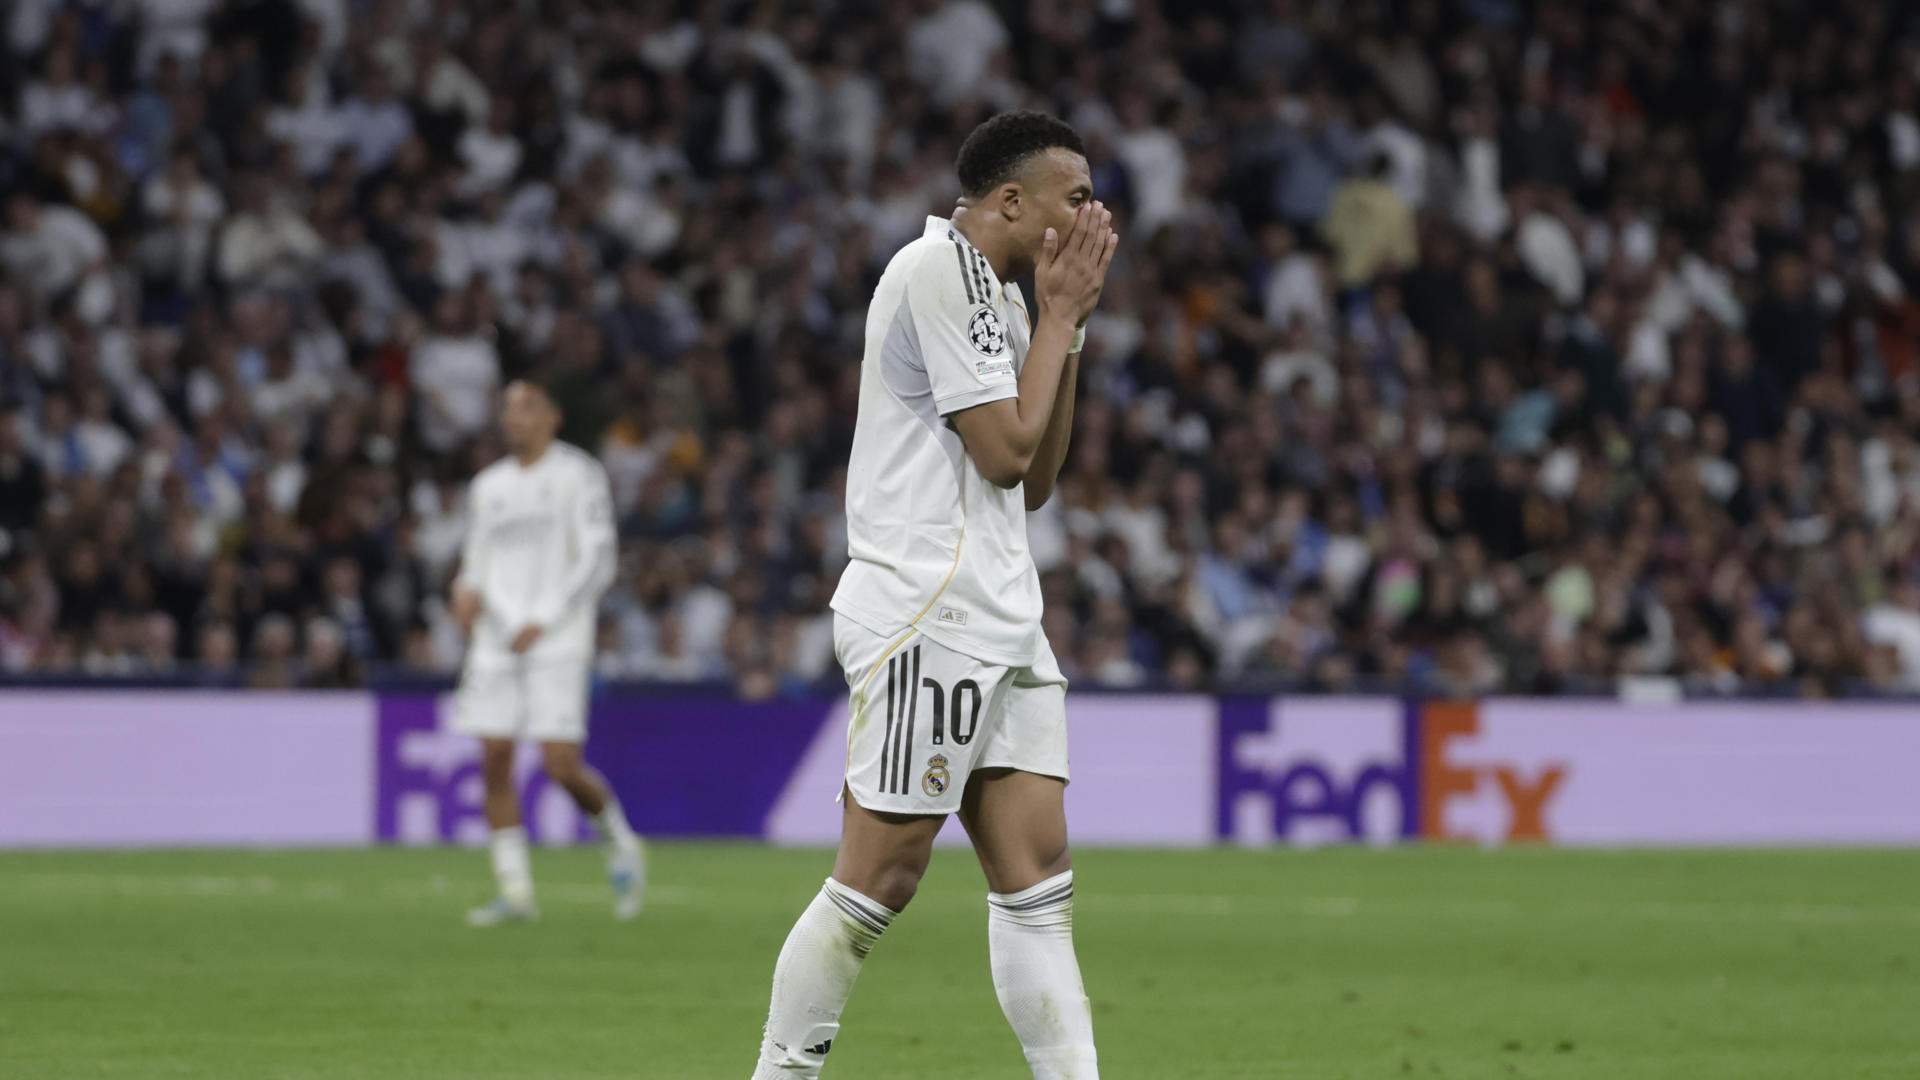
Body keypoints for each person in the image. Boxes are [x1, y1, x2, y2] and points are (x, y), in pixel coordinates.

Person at [747, 110, 1117, 1080]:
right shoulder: (938, 269)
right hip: (929, 608)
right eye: (1074, 196)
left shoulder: (996, 293)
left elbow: (1035, 481)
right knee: (879, 881)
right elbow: (1001, 456)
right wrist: (1062, 318)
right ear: (1009, 200)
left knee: (1038, 882)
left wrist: (1060, 329)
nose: (1092, 213)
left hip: (1003, 610)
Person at [449, 378, 644, 926]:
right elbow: (477, 559)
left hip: (555, 639)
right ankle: (515, 893)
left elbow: (597, 560)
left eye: (528, 407)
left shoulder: (577, 475)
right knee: (494, 759)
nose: (515, 418)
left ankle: (620, 842)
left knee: (560, 766)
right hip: (495, 637)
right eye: (509, 407)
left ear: (553, 417)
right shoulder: (488, 485)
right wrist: (464, 589)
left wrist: (545, 618)